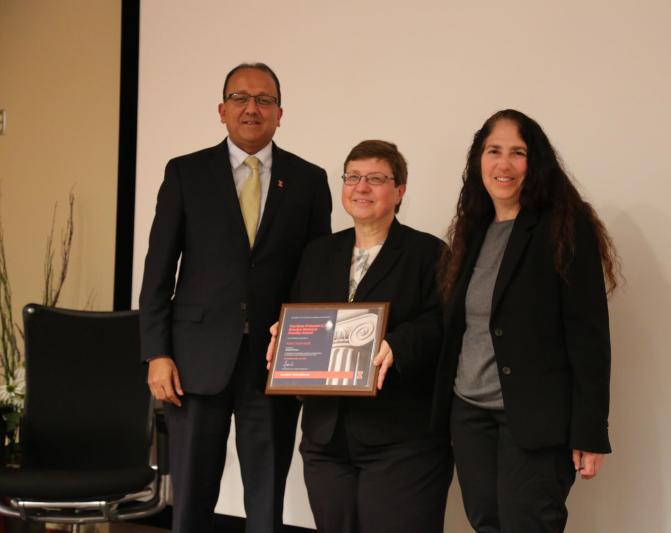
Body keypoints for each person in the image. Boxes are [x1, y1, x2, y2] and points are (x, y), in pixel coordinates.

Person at [139, 62, 332, 533]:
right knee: (191, 496)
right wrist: (157, 353)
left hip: (273, 363)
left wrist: (310, 359)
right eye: (241, 98)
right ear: (222, 110)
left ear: (280, 113)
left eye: (264, 100)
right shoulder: (186, 173)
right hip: (193, 360)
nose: (252, 108)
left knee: (266, 498)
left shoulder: (309, 180)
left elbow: (316, 280)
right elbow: (158, 271)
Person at [432, 109, 619, 533]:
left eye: (518, 153)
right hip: (469, 414)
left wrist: (590, 430)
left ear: (535, 164)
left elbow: (589, 335)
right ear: (478, 159)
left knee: (528, 524)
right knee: (486, 522)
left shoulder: (563, 227)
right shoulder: (472, 229)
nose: (504, 164)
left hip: (534, 420)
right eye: (493, 151)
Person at [267, 140, 453, 533]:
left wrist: (398, 344)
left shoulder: (429, 253)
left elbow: (446, 325)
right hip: (326, 440)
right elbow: (303, 318)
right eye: (353, 177)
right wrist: (285, 339)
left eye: (375, 178)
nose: (361, 187)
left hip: (402, 439)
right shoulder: (318, 253)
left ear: (400, 191)